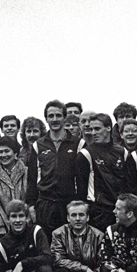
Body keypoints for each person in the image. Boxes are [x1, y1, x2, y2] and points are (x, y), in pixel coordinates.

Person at [27, 100, 85, 238]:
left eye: (58, 115)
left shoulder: (78, 144)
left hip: (69, 204)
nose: (55, 119)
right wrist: (31, 205)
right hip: (45, 205)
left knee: (69, 243)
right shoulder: (38, 145)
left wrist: (80, 204)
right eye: (51, 116)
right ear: (46, 119)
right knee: (46, 244)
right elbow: (32, 179)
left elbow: (82, 179)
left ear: (64, 117)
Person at [76, 113, 129, 231]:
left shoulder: (122, 152)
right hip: (98, 212)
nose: (93, 132)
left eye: (97, 129)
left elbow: (128, 184)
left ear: (108, 128)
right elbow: (81, 190)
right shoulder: (85, 154)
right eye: (91, 129)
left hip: (120, 210)